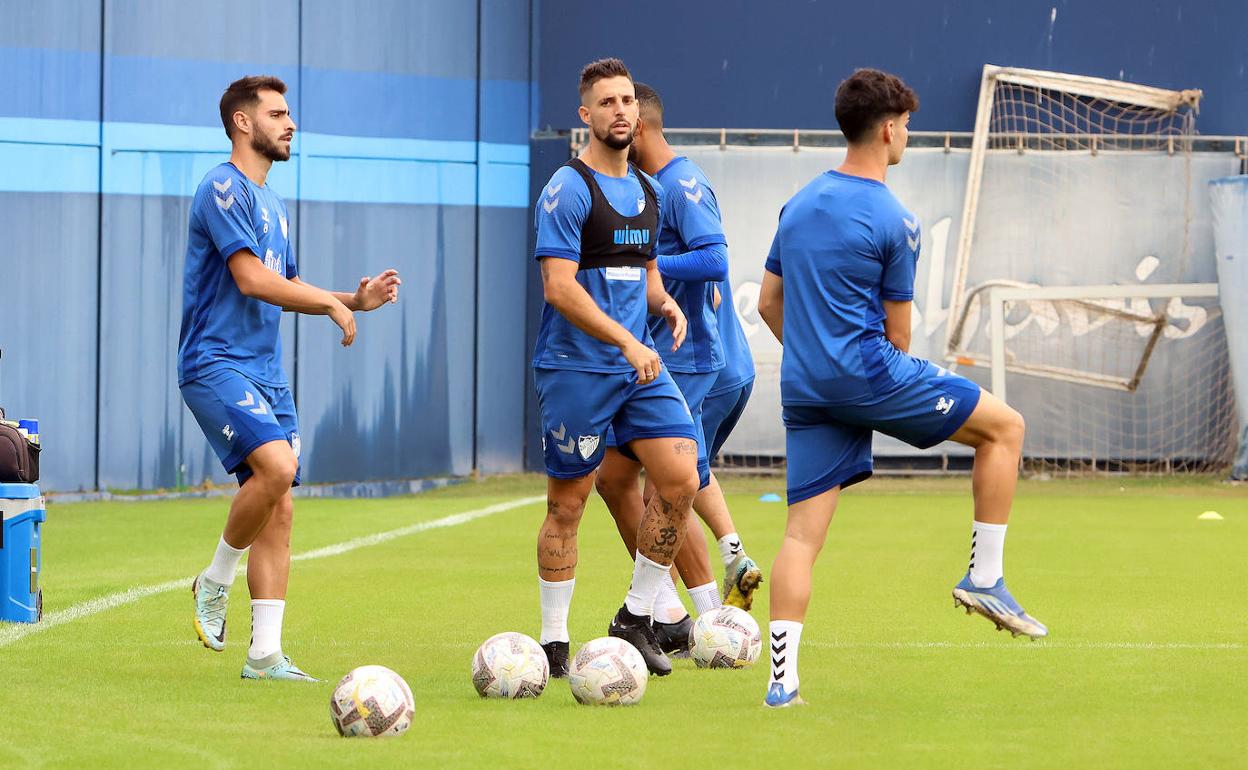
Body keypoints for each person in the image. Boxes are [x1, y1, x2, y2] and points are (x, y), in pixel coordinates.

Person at [756, 68, 1047, 708]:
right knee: (1006, 428)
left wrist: (814, 358)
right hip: (870, 374)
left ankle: (782, 685)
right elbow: (901, 337)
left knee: (801, 537)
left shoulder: (798, 204)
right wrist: (854, 371)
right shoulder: (894, 217)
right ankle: (987, 577)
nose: (907, 135)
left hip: (805, 388)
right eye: (907, 125)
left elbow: (768, 304)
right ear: (888, 129)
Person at [179, 75, 401, 681]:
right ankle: (214, 579)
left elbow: (289, 287)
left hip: (265, 371)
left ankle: (264, 655)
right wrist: (331, 308)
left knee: (280, 505)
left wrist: (351, 300)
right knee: (275, 469)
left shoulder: (273, 204)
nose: (290, 123)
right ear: (243, 123)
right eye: (277, 113)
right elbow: (251, 280)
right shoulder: (221, 186)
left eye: (289, 113)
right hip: (216, 361)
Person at [532, 58, 700, 678]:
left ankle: (635, 615)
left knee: (681, 478)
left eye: (627, 100)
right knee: (567, 506)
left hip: (638, 370)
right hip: (577, 370)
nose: (621, 111)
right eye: (607, 102)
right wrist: (628, 342)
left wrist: (664, 305)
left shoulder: (648, 192)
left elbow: (646, 271)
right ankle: (552, 645)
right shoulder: (568, 189)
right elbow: (559, 288)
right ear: (586, 115)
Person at [594, 82, 762, 656]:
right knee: (617, 479)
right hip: (653, 356)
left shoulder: (680, 182)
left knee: (672, 480)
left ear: (640, 125)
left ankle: (707, 618)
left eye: (624, 117)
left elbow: (715, 258)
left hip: (682, 358)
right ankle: (674, 604)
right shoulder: (642, 187)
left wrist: (640, 263)